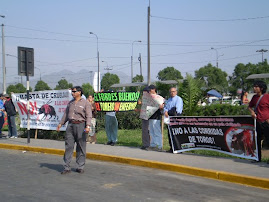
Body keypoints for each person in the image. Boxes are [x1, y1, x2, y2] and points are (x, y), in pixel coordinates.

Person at [57, 86, 92, 174]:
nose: (72, 93)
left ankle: (80, 166)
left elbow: (89, 115)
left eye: (74, 91)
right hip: (70, 125)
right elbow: (66, 114)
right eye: (72, 91)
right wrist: (61, 123)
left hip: (81, 125)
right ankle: (66, 167)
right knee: (68, 146)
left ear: (79, 92)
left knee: (81, 146)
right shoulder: (70, 103)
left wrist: (87, 126)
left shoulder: (85, 103)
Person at [248, 80, 269, 163]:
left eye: (256, 87)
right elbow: (249, 107)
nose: (254, 88)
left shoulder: (267, 96)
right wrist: (252, 112)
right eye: (254, 86)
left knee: (268, 140)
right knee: (257, 140)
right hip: (257, 122)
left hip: (266, 122)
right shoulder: (254, 97)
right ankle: (258, 158)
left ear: (261, 88)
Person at [163, 87, 183, 153]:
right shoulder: (168, 100)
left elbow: (176, 110)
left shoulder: (178, 99)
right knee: (170, 134)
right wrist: (165, 111)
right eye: (171, 91)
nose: (172, 93)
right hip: (169, 118)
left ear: (176, 92)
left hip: (176, 118)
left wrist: (168, 112)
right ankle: (172, 148)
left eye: (174, 91)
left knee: (177, 133)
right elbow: (165, 108)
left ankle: (179, 149)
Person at [148, 85, 164, 151]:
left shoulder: (159, 97)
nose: (149, 91)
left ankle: (160, 146)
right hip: (150, 116)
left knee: (157, 131)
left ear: (154, 89)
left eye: (150, 89)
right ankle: (153, 145)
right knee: (151, 132)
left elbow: (162, 106)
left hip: (156, 116)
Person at [138, 86, 150, 150]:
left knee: (148, 131)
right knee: (144, 131)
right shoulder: (144, 98)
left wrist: (141, 103)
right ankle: (145, 144)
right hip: (143, 116)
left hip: (148, 116)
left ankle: (148, 144)